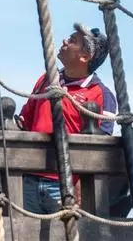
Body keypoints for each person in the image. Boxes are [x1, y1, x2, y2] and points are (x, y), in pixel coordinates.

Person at [17, 23, 117, 214]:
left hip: (67, 185)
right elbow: (26, 121)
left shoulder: (101, 94)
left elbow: (102, 149)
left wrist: (81, 185)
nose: (65, 41)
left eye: (72, 41)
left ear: (85, 56)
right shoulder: (47, 79)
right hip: (29, 177)